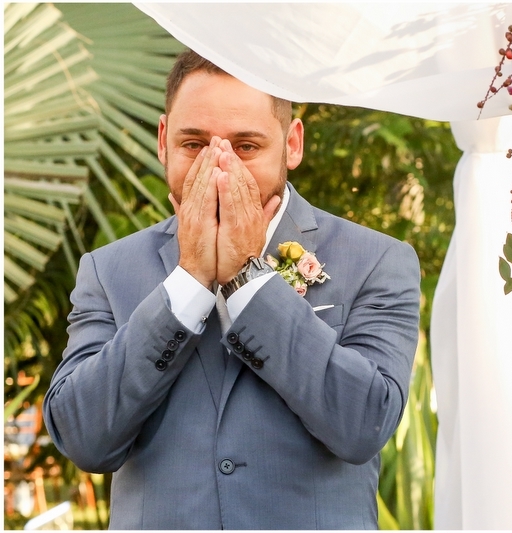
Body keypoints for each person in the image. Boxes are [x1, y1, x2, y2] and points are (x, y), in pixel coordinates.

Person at [43, 49, 421, 529]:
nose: (219, 170)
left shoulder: (377, 261)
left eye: (245, 147)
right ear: (163, 141)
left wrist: (247, 279)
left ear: (292, 144)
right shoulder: (107, 269)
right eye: (194, 144)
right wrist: (187, 283)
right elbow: (83, 438)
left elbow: (364, 425)